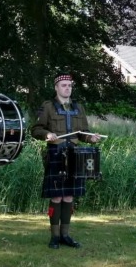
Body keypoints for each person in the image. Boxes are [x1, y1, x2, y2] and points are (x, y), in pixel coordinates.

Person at [30, 72, 101, 249]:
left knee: (69, 196)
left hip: (75, 155)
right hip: (56, 153)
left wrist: (90, 138)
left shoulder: (79, 107)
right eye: (63, 85)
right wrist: (47, 134)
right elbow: (36, 129)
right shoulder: (48, 107)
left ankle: (65, 235)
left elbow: (83, 133)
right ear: (56, 87)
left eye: (69, 85)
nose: (67, 88)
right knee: (56, 196)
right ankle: (54, 236)